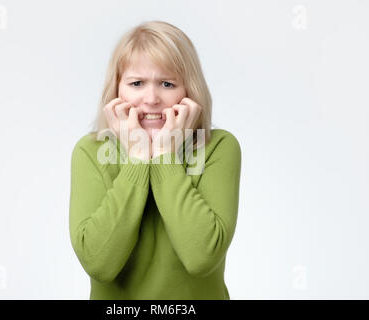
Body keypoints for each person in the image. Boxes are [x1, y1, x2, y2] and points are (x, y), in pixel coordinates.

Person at [69, 20, 242, 300]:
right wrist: (137, 158)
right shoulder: (90, 152)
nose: (151, 99)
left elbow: (201, 257)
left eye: (167, 83)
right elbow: (98, 263)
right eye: (137, 83)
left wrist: (164, 157)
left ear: (189, 91)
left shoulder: (218, 147)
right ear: (117, 92)